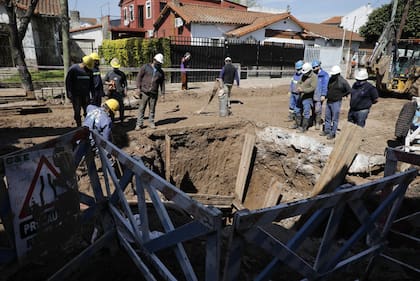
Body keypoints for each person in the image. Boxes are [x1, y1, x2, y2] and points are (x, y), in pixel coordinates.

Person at [135, 53, 165, 130]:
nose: (159, 65)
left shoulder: (160, 72)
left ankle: (151, 122)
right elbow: (139, 77)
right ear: (154, 60)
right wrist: (138, 88)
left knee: (152, 109)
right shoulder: (145, 67)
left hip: (154, 93)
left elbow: (162, 84)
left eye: (160, 63)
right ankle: (139, 124)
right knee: (141, 108)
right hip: (144, 91)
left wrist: (163, 94)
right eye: (158, 63)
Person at [321, 65, 351, 139]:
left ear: (337, 74)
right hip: (329, 101)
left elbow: (349, 90)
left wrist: (343, 95)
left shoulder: (342, 81)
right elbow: (328, 88)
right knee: (327, 117)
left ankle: (333, 133)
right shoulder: (331, 79)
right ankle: (327, 130)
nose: (332, 75)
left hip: (336, 102)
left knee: (335, 118)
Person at [65, 55, 94, 127]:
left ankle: (87, 125)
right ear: (84, 63)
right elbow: (68, 82)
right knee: (77, 111)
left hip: (86, 95)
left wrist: (92, 94)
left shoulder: (89, 71)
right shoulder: (73, 69)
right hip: (76, 95)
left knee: (87, 111)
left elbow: (91, 84)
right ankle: (79, 126)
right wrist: (69, 93)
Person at [292, 62, 317, 133]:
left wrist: (303, 90)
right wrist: (297, 88)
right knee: (297, 110)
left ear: (309, 71)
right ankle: (297, 124)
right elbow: (299, 82)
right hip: (301, 96)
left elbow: (312, 88)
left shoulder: (314, 77)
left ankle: (304, 127)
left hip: (308, 97)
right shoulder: (303, 75)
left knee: (306, 112)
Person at [104, 58, 127, 123]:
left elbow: (125, 84)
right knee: (111, 107)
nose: (115, 68)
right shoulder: (109, 73)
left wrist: (125, 91)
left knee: (121, 107)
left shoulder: (122, 74)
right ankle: (112, 121)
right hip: (111, 93)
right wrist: (109, 83)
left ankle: (122, 120)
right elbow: (104, 81)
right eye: (114, 67)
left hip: (119, 93)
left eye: (116, 67)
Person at [311, 60, 329, 130]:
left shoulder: (324, 75)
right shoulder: (312, 74)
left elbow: (325, 85)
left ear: (319, 66)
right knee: (312, 108)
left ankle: (317, 123)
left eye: (316, 67)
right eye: (313, 67)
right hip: (312, 94)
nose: (314, 68)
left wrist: (323, 95)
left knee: (317, 109)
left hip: (319, 95)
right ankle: (313, 121)